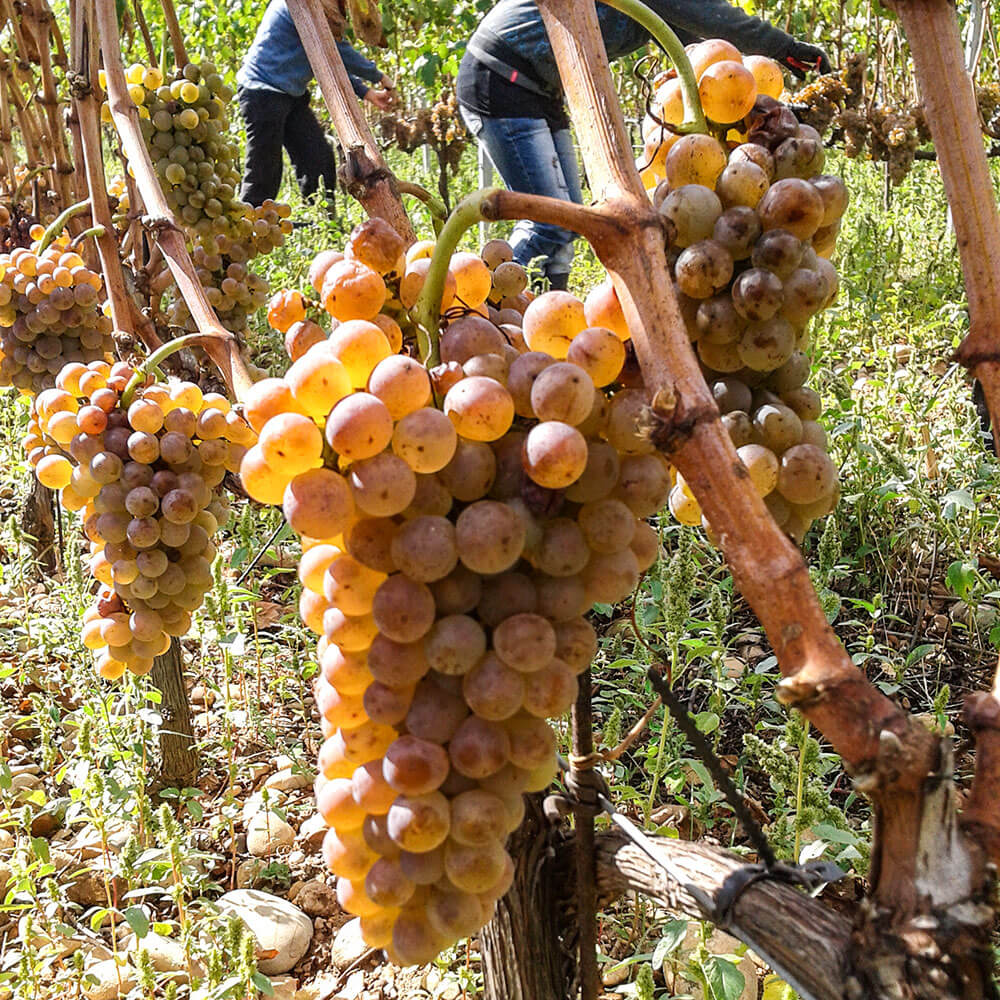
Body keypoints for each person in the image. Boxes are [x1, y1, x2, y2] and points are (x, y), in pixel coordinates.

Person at [457, 0, 831, 290]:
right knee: (550, 225)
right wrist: (784, 47)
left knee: (567, 219)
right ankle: (488, 312)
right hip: (500, 74)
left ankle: (537, 330)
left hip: (535, 86)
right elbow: (707, 17)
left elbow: (704, 48)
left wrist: (762, 108)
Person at [237, 0, 396, 206]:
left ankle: (321, 217)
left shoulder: (316, 9)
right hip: (263, 92)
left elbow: (330, 56)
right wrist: (380, 77)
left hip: (290, 96)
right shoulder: (300, 6)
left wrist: (366, 92)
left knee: (318, 159)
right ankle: (247, 228)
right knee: (264, 171)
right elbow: (339, 51)